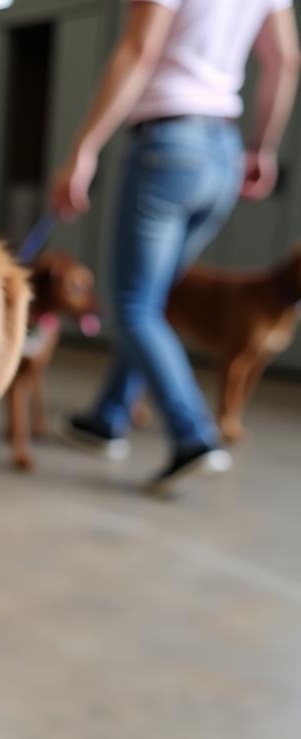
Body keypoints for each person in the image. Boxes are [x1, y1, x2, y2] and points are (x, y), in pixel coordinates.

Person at [51, 0, 300, 495]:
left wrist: (85, 148)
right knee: (155, 296)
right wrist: (262, 147)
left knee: (135, 304)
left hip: (169, 144)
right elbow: (285, 61)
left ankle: (194, 437)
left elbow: (140, 47)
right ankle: (108, 418)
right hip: (223, 153)